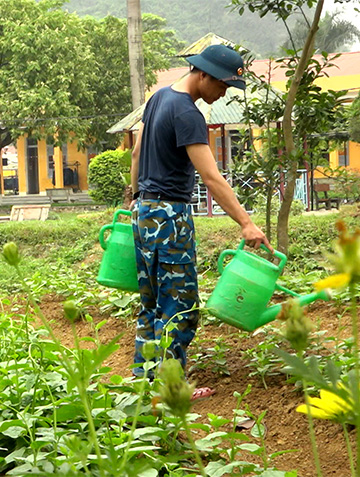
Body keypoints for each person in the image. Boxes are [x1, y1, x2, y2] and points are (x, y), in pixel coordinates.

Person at [129, 45, 270, 396]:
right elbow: (212, 178)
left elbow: (135, 152)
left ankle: (144, 381)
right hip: (169, 217)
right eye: (222, 84)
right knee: (180, 306)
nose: (223, 92)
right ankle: (172, 388)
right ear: (202, 73)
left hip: (142, 212)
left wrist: (135, 198)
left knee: (151, 302)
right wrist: (246, 223)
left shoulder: (159, 98)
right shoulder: (188, 114)